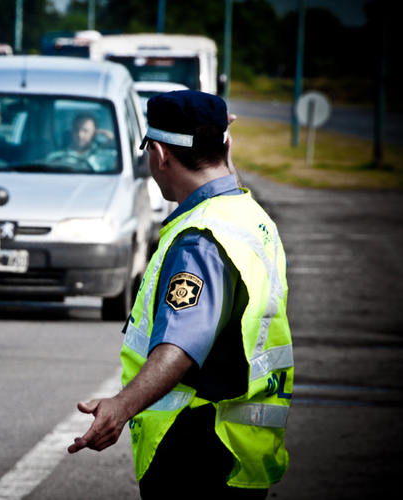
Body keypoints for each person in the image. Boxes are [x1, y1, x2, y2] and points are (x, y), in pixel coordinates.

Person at [67, 90, 293, 499]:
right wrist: (221, 143)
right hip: (237, 448)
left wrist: (121, 406)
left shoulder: (200, 241)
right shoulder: (246, 213)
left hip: (195, 452)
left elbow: (180, 344)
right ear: (224, 146)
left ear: (158, 153)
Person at [48, 112, 114, 171]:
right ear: (72, 131)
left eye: (85, 131)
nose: (80, 135)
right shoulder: (56, 158)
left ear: (94, 133)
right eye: (76, 129)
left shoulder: (107, 156)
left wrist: (112, 138)